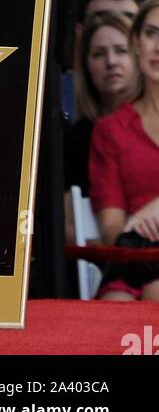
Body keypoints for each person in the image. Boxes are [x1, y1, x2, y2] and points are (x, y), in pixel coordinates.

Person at [89, 0, 159, 301]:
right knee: (114, 306)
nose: (158, 46)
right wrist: (137, 225)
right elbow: (112, 230)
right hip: (135, 260)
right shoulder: (111, 129)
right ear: (137, 43)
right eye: (151, 33)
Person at [63, 14, 136, 243]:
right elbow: (66, 223)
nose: (111, 61)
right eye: (98, 54)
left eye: (121, 51)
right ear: (86, 67)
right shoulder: (78, 138)